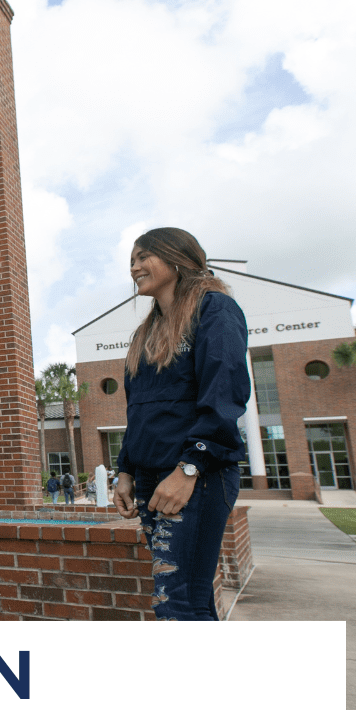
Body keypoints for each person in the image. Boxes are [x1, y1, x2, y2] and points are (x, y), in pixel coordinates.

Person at [111, 228, 249, 621]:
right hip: (153, 480)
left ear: (175, 257)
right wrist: (126, 471)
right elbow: (138, 410)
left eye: (143, 257)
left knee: (176, 606)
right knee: (188, 600)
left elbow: (224, 397)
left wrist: (189, 469)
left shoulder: (215, 309)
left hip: (196, 478)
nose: (134, 267)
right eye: (132, 261)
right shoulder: (146, 333)